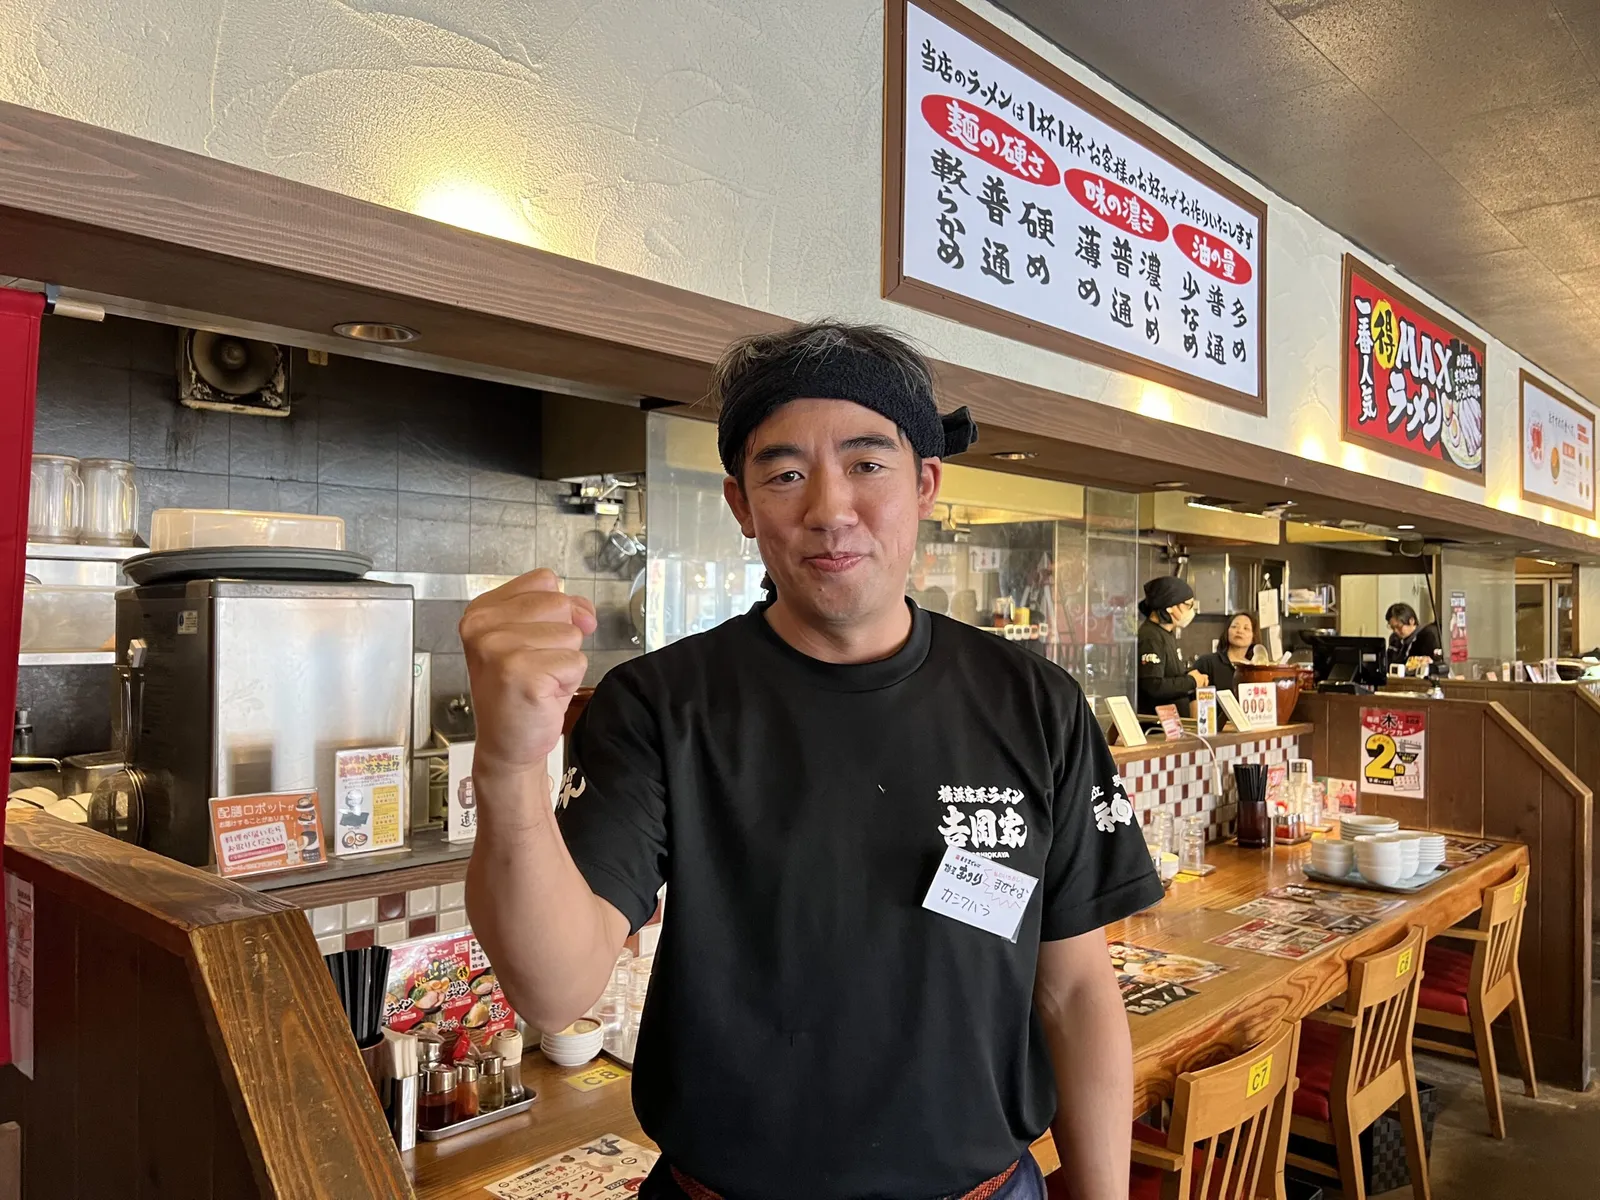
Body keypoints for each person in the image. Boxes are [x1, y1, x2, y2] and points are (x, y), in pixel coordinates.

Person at [460, 321, 1163, 1200]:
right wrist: (508, 766)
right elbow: (555, 987)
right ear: (742, 505)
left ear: (926, 484)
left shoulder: (1035, 703)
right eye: (785, 473)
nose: (830, 508)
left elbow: (1076, 993)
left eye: (868, 463)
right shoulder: (661, 704)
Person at [1136, 575, 1207, 714]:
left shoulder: (1166, 633)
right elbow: (1153, 686)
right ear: (1170, 607)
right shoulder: (1150, 637)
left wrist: (1189, 676)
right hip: (1157, 727)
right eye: (1188, 605)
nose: (1191, 611)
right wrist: (1191, 681)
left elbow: (1169, 675)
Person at [1192, 611, 1266, 695]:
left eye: (1246, 628)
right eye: (1234, 626)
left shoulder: (1255, 669)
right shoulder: (1207, 663)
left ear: (1253, 637)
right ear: (1227, 632)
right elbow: (1194, 698)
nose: (1239, 631)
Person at [1385, 601, 1442, 670]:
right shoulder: (1395, 639)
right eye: (1392, 628)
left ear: (1411, 621)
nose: (1396, 631)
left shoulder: (1427, 636)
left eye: (1399, 627)